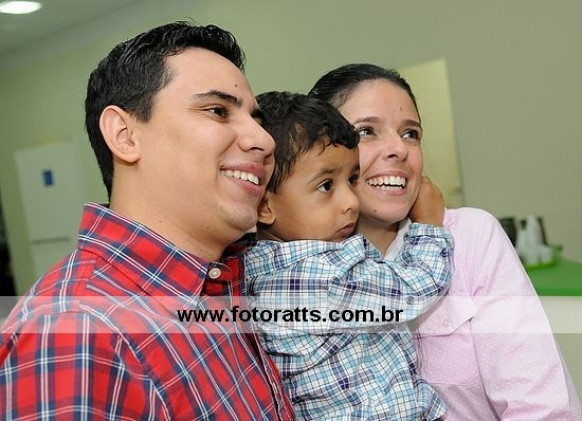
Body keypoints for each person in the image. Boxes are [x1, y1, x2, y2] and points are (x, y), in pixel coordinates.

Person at [0, 21, 295, 420]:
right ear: (125, 136)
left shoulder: (231, 281)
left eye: (255, 119)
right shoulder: (78, 331)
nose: (264, 139)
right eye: (218, 111)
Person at [309, 63, 582, 420]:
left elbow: (543, 408)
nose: (399, 149)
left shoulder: (468, 237)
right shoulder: (298, 269)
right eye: (366, 131)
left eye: (410, 134)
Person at [243, 91, 454, 420]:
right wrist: (429, 224)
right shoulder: (322, 276)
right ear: (264, 207)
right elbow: (415, 288)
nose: (351, 202)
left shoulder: (253, 268)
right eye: (326, 186)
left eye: (352, 180)